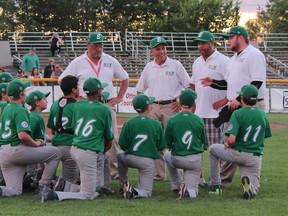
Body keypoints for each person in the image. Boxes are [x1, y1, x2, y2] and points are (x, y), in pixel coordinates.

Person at [200, 26, 267, 187]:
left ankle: (239, 179)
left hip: (250, 104)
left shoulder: (254, 54)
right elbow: (229, 84)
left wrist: (238, 98)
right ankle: (223, 180)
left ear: (240, 37)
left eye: (230, 37)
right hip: (235, 106)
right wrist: (213, 83)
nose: (227, 40)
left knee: (249, 142)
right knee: (229, 141)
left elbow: (257, 82)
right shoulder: (233, 59)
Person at [59, 32, 129, 180]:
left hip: (106, 103)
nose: (99, 48)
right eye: (96, 45)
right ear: (88, 46)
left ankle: (113, 171)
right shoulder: (78, 62)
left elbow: (125, 78)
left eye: (101, 45)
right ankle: (83, 169)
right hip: (85, 105)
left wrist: (120, 97)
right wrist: (75, 96)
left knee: (112, 138)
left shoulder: (110, 60)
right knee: (84, 136)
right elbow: (62, 80)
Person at [39, 77, 114, 202]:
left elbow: (67, 126)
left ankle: (67, 184)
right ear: (98, 92)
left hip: (73, 147)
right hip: (83, 149)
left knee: (101, 160)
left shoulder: (78, 104)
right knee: (87, 195)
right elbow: (108, 136)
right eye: (101, 89)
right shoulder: (103, 109)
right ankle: (52, 194)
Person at [136, 36, 191, 181]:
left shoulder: (176, 65)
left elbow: (188, 85)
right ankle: (160, 174)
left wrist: (180, 101)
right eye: (158, 49)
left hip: (170, 106)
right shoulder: (149, 67)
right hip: (153, 106)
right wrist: (145, 106)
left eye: (163, 48)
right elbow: (140, 89)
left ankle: (178, 173)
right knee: (154, 139)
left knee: (175, 140)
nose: (162, 51)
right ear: (152, 51)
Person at [208, 84, 272, 199]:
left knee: (213, 149)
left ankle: (215, 186)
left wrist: (227, 144)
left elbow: (231, 140)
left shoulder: (237, 113)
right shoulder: (263, 114)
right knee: (254, 188)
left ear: (242, 99)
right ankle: (249, 189)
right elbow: (265, 135)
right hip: (254, 157)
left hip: (237, 153)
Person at [0, 79, 61, 197]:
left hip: (4, 153)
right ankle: (43, 185)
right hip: (17, 150)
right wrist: (36, 144)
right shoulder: (20, 110)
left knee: (15, 191)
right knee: (56, 153)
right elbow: (22, 136)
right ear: (21, 94)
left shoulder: (6, 108)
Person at [190, 31, 229, 186]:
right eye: (199, 43)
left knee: (215, 150)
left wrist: (224, 100)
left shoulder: (224, 61)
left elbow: (231, 83)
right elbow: (193, 83)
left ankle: (215, 181)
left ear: (212, 43)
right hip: (198, 113)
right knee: (196, 150)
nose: (201, 46)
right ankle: (197, 179)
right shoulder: (197, 61)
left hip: (215, 114)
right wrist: (192, 102)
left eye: (203, 43)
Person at [117, 94, 166, 199]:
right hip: (147, 161)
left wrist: (129, 151)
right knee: (146, 192)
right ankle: (132, 191)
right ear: (149, 107)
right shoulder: (156, 124)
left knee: (119, 155)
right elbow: (161, 146)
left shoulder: (129, 123)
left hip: (130, 158)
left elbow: (122, 144)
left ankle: (123, 185)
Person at [163, 88, 205, 199]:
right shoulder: (199, 120)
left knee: (167, 154)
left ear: (180, 103)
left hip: (178, 158)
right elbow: (202, 142)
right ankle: (187, 190)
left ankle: (176, 185)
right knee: (192, 193)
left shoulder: (172, 120)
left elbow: (167, 143)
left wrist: (173, 146)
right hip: (193, 160)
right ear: (194, 104)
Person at [47, 75, 80, 192]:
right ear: (74, 89)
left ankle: (49, 183)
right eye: (78, 86)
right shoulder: (77, 106)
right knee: (68, 186)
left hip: (55, 145)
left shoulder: (55, 104)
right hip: (70, 147)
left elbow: (52, 130)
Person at [25, 90, 51, 187]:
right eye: (44, 99)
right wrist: (36, 142)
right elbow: (27, 136)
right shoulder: (34, 117)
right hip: (32, 155)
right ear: (36, 103)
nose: (46, 101)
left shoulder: (36, 116)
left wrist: (46, 138)